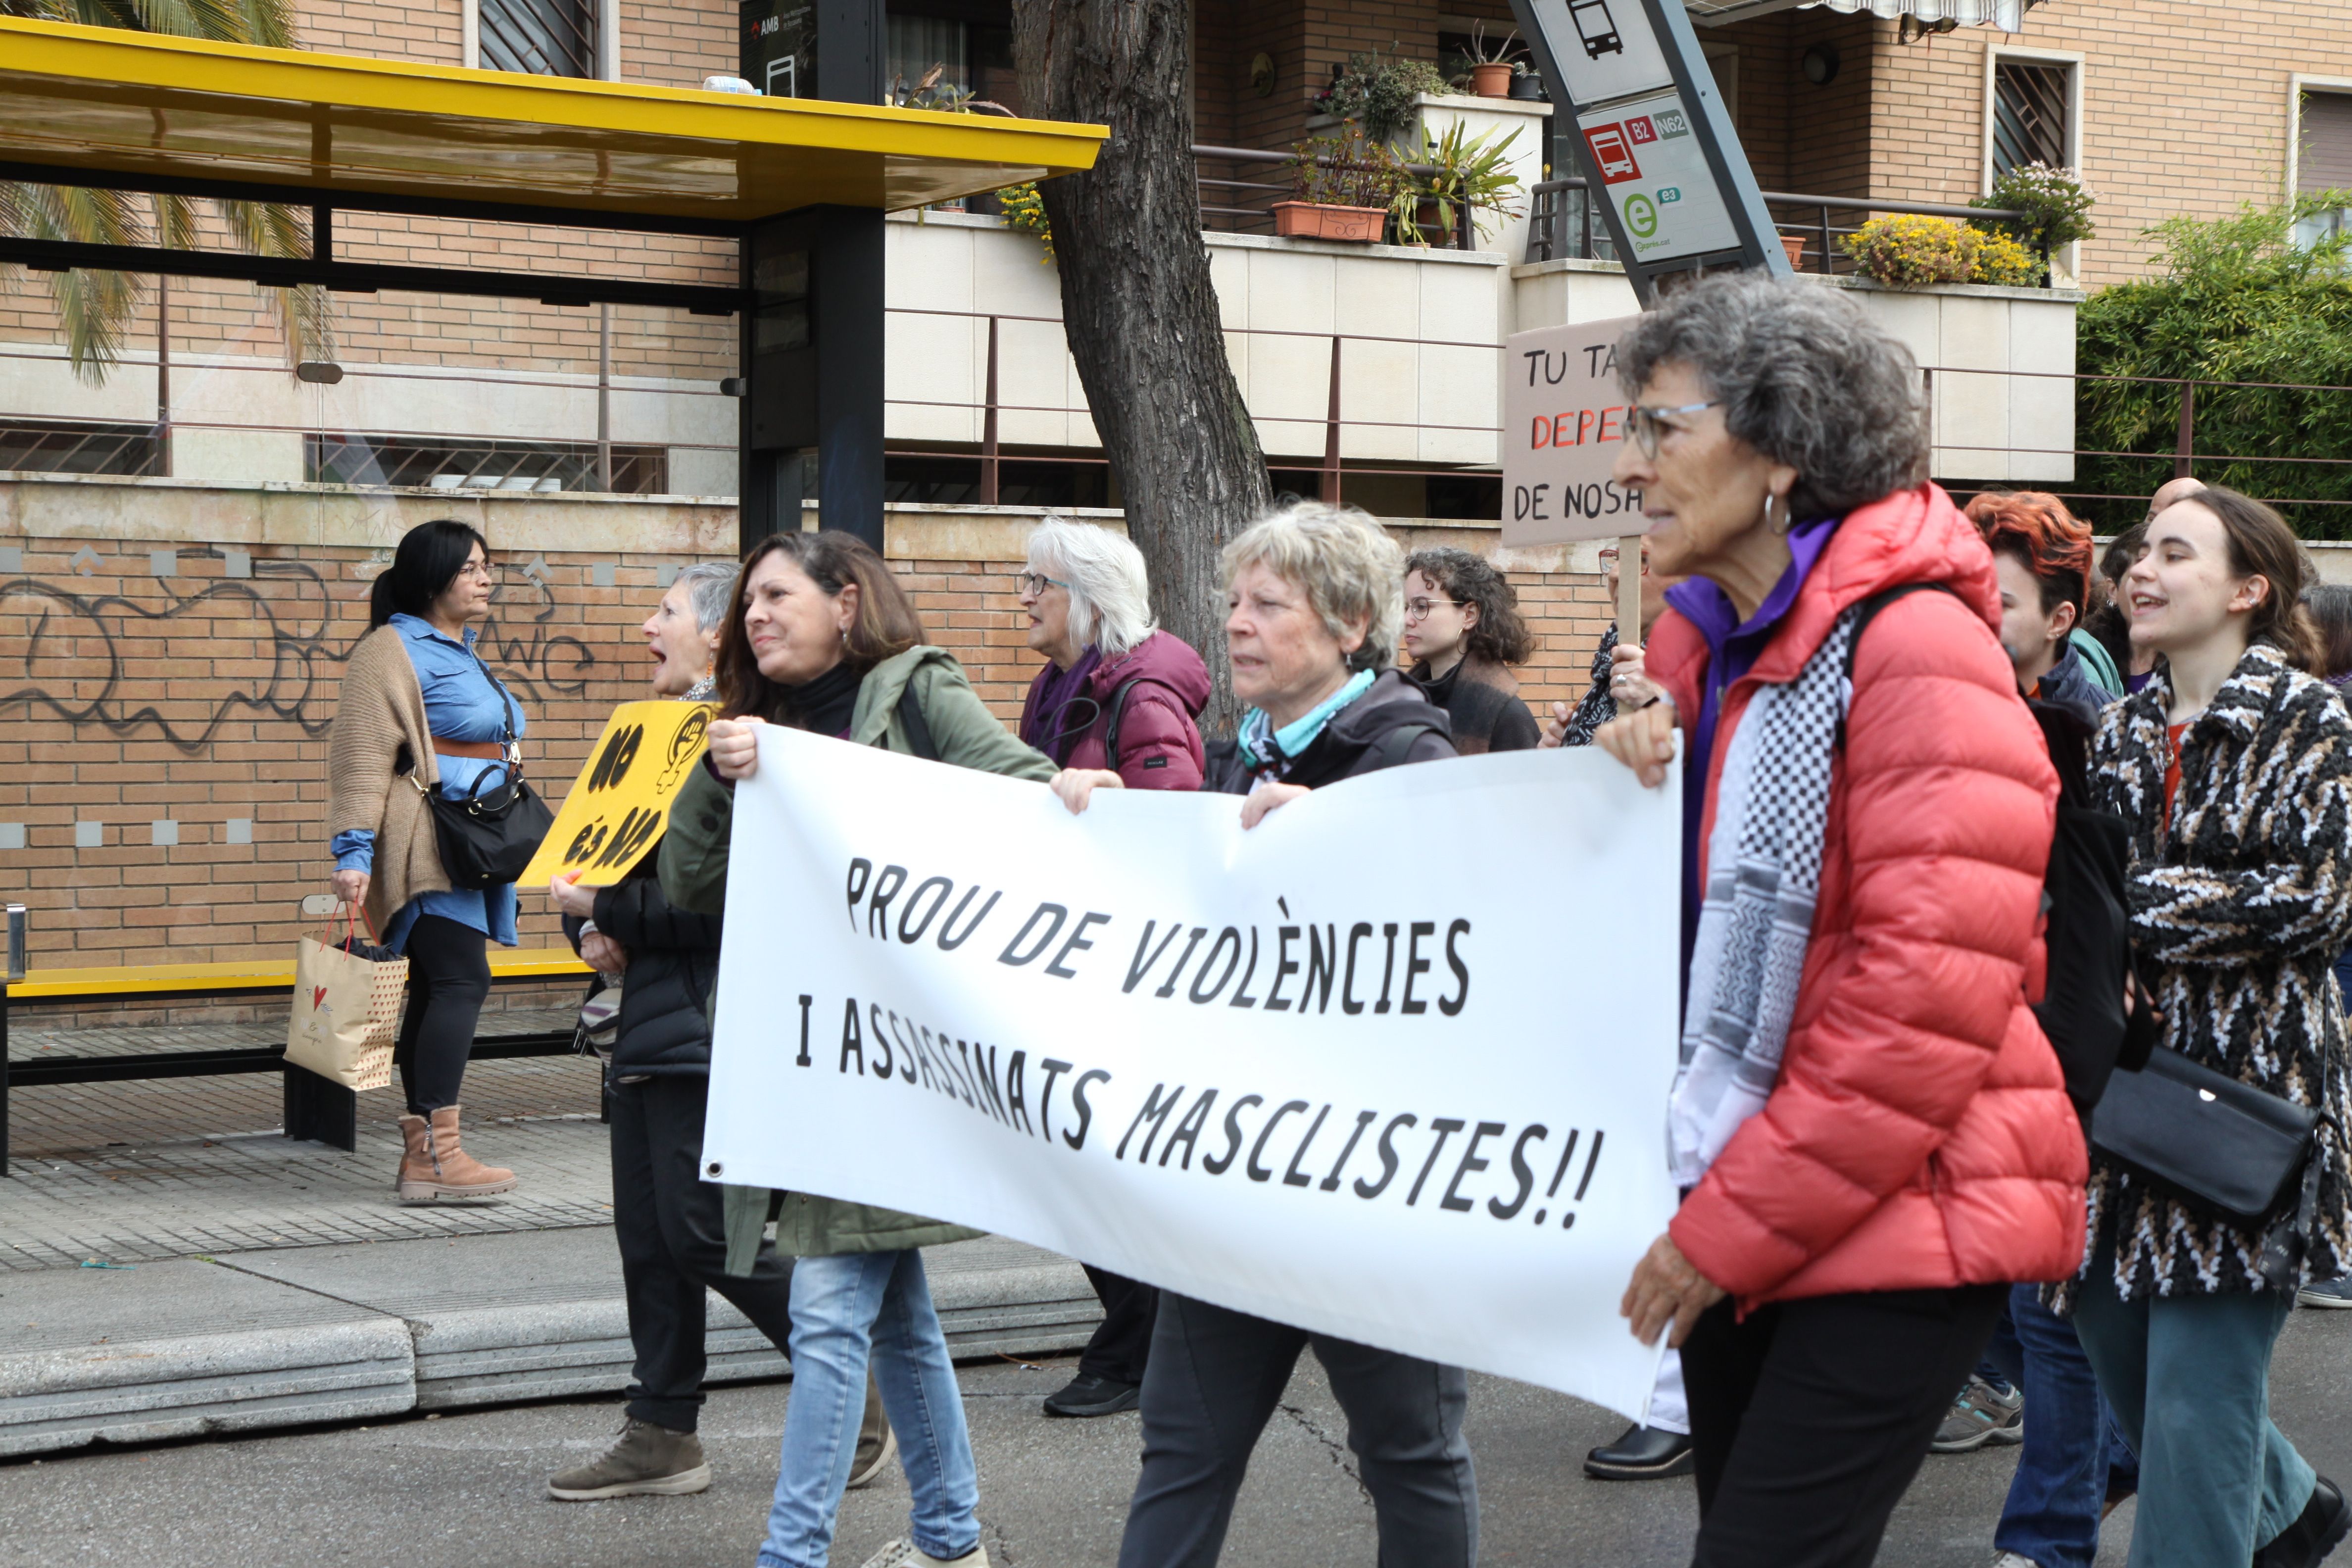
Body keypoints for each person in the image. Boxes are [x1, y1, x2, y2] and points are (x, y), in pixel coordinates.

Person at [1590, 272, 2085, 1568]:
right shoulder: (1709, 653)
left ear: (1782, 452)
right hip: (1749, 1180)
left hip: (1906, 1207)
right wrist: (1621, 767)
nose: (1634, 464)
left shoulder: (1918, 643)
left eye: (1663, 428)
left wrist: (1723, 1229)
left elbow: (1920, 1006)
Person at [1051, 502, 1473, 1568]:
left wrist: (1343, 860)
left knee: (1410, 1456)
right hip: (1236, 1181)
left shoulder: (1408, 755)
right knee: (1183, 1450)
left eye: (1267, 605)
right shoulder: (1240, 757)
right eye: (1235, 601)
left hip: (1368, 1193)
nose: (1235, 623)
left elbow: (1450, 952)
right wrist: (1113, 828)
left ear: (1346, 625)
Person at [661, 531, 1057, 1568]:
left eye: (777, 596)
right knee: (896, 1321)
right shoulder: (749, 726)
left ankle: (793, 1557)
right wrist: (717, 771)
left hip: (898, 1064)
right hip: (807, 1062)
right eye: (748, 602)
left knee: (832, 1308)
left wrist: (1083, 791)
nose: (755, 615)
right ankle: (949, 1540)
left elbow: (1017, 790)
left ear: (847, 601)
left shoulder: (914, 689)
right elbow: (692, 885)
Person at [542, 563, 893, 1503]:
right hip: (643, 1024)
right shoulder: (651, 739)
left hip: (707, 1020)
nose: (645, 627)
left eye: (665, 612)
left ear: (712, 637)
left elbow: (732, 897)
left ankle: (856, 1392)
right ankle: (661, 1431)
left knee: (703, 1233)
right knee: (647, 1241)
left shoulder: (732, 743)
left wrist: (613, 908)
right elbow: (606, 871)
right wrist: (591, 926)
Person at [2069, 485, 2352, 1568]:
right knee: (2109, 1330)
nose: (2141, 568)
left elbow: (2314, 899)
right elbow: (2084, 898)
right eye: (2140, 551)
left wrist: (2135, 913)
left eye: (2175, 554)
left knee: (2196, 1401)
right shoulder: (2124, 726)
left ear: (2248, 589)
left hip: (2254, 1105)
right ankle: (2289, 1507)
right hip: (2127, 1096)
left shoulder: (2306, 715)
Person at [1011, 516, 1208, 1419]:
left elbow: (1178, 816)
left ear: (1087, 598)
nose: (1023, 597)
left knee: (1094, 1161)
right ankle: (1146, 1334)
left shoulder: (1140, 693)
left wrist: (1124, 794)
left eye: (1036, 583)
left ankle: (1135, 1347)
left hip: (1126, 968)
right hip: (1076, 955)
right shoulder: (1059, 687)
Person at [326, 519, 526, 1203]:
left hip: (475, 843)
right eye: (472, 567)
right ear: (433, 578)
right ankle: (440, 1156)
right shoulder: (389, 653)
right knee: (462, 980)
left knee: (442, 986)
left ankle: (425, 1159)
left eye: (488, 566)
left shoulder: (461, 651)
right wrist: (352, 854)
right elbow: (359, 760)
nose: (486, 578)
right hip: (427, 846)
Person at [1970, 490, 2111, 727]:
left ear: (2058, 621)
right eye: (1968, 598)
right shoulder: (1934, 709)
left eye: (1999, 604)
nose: (1975, 616)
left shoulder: (2111, 731)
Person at [1398, 545, 1540, 753]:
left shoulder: (1507, 717)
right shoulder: (1405, 702)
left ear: (1469, 615)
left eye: (1422, 606)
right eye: (1406, 608)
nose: (1407, 620)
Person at [1544, 541, 1679, 749]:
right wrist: (1565, 749)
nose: (1615, 574)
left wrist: (1661, 706)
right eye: (1617, 558)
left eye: (1642, 559)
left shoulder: (1716, 664)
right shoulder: (1607, 672)